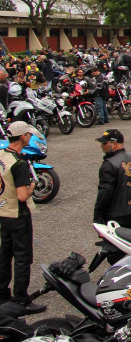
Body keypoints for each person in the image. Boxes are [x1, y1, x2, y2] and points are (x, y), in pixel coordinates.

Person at [0, 122, 44, 313]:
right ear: (24, 137)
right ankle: (21, 299)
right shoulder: (19, 164)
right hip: (17, 215)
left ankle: (2, 295)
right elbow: (22, 196)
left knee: (3, 255)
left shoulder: (2, 156)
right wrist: (33, 184)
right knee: (22, 257)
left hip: (2, 212)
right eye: (28, 135)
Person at [93, 128, 131, 233]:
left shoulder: (109, 164)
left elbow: (105, 192)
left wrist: (98, 214)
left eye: (104, 143)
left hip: (117, 215)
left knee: (115, 247)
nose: (101, 146)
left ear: (114, 144)